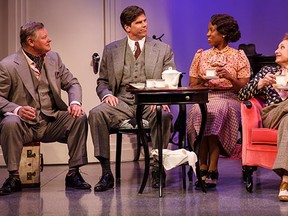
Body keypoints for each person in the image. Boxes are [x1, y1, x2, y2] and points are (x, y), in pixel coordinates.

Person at [88, 5, 175, 192]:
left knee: (164, 115)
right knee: (96, 113)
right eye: (139, 22)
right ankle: (105, 172)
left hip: (150, 101)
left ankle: (157, 167)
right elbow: (102, 81)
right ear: (127, 27)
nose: (145, 25)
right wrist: (107, 94)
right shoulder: (111, 50)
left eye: (145, 21)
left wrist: (161, 100)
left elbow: (170, 80)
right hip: (122, 101)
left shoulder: (162, 49)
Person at [0, 22, 91, 196]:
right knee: (10, 122)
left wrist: (75, 103)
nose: (50, 39)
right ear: (30, 42)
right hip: (24, 125)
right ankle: (13, 177)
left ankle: (73, 173)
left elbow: (72, 83)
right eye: (44, 37)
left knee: (78, 117)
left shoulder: (53, 58)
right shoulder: (8, 65)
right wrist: (17, 109)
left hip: (51, 121)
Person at [187, 14, 250, 188]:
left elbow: (243, 89)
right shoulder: (201, 55)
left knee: (216, 110)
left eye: (211, 30)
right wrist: (204, 79)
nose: (207, 34)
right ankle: (204, 165)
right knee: (200, 111)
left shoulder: (238, 56)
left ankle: (210, 165)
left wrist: (230, 77)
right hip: (205, 97)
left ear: (223, 33)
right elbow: (192, 85)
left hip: (230, 97)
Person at [239, 33, 288, 201]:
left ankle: (285, 180)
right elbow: (242, 94)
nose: (276, 51)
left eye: (282, 48)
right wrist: (261, 83)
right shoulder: (268, 71)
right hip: (271, 115)